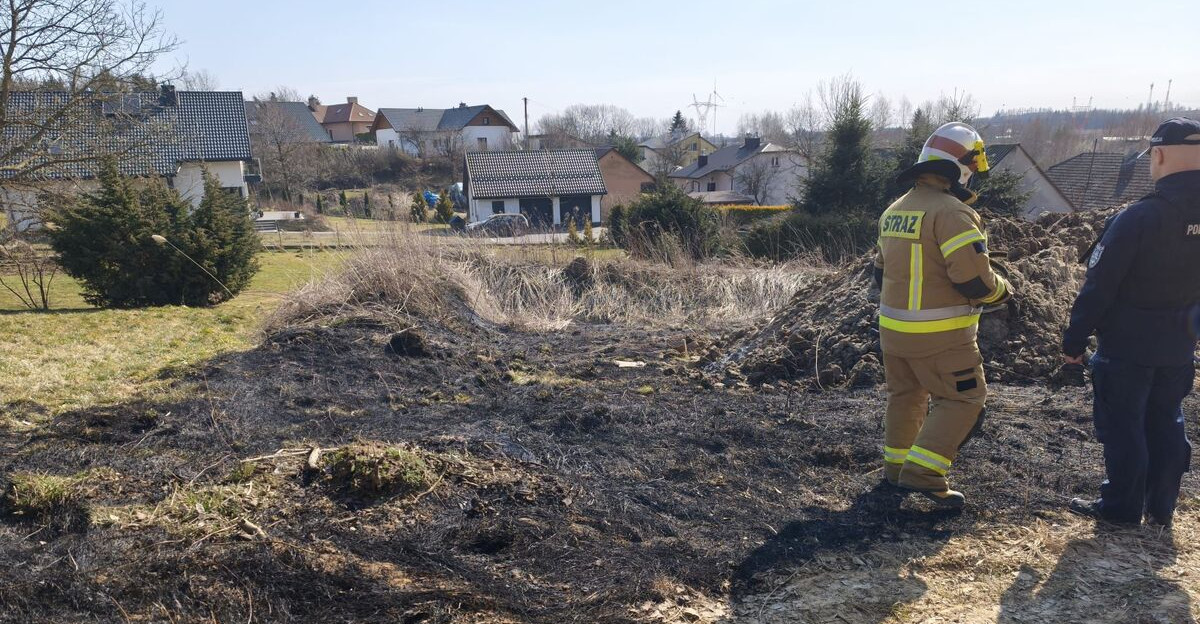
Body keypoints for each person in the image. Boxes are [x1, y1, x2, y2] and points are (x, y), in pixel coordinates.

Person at [1063, 117, 1200, 527]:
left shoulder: (1139, 218)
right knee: (1166, 420)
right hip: (1179, 347)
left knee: (1125, 429)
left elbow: (1099, 286)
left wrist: (1073, 340)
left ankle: (1121, 510)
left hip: (1126, 349)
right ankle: (1161, 508)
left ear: (1159, 156)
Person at [874, 122, 1013, 509]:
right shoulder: (953, 213)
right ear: (962, 165)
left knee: (906, 395)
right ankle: (923, 473)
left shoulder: (894, 211)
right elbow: (973, 280)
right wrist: (1004, 290)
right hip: (941, 336)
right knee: (965, 400)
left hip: (893, 333)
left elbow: (879, 273)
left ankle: (897, 468)